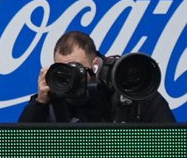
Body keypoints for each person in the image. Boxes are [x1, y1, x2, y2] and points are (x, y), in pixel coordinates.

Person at [20, 30, 177, 125]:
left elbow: (173, 146)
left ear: (95, 65)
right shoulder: (53, 99)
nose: (72, 77)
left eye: (77, 68)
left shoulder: (130, 91)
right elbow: (19, 150)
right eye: (64, 70)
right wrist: (40, 103)